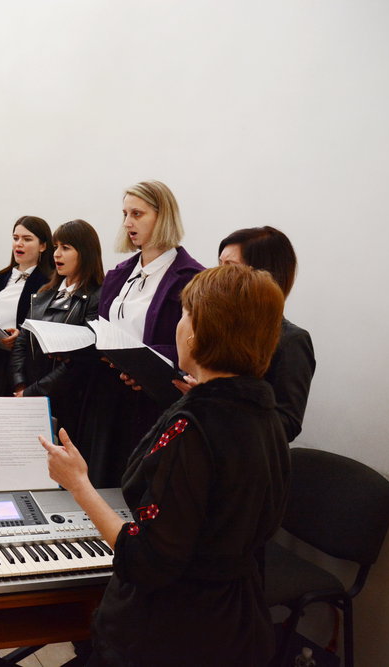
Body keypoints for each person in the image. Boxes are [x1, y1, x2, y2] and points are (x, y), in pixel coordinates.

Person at [41, 264, 290, 666]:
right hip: (238, 623)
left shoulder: (192, 429)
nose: (179, 324)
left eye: (185, 314)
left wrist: (79, 484)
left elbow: (145, 562)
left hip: (172, 633)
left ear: (198, 332)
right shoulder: (264, 413)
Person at [88, 181, 204, 488]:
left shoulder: (190, 277)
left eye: (137, 214)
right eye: (125, 214)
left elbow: (196, 345)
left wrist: (145, 364)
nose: (127, 223)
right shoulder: (120, 273)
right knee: (104, 483)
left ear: (162, 216)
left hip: (154, 401)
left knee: (139, 488)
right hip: (110, 395)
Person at [206, 226, 315, 441]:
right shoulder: (216, 324)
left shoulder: (291, 341)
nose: (217, 275)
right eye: (219, 264)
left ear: (263, 274)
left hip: (241, 454)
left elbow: (287, 424)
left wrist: (218, 402)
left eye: (230, 266)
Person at [10, 219, 103, 442]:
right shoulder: (44, 293)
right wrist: (20, 383)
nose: (57, 254)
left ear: (85, 253)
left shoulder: (97, 297)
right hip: (29, 395)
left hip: (70, 404)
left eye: (66, 248)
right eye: (56, 247)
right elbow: (22, 341)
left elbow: (79, 360)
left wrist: (33, 392)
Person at [0, 216, 53, 397]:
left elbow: (49, 325)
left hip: (27, 364)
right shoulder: (0, 278)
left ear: (43, 246)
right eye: (16, 238)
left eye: (27, 239)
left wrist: (22, 336)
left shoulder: (49, 281)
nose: (19, 243)